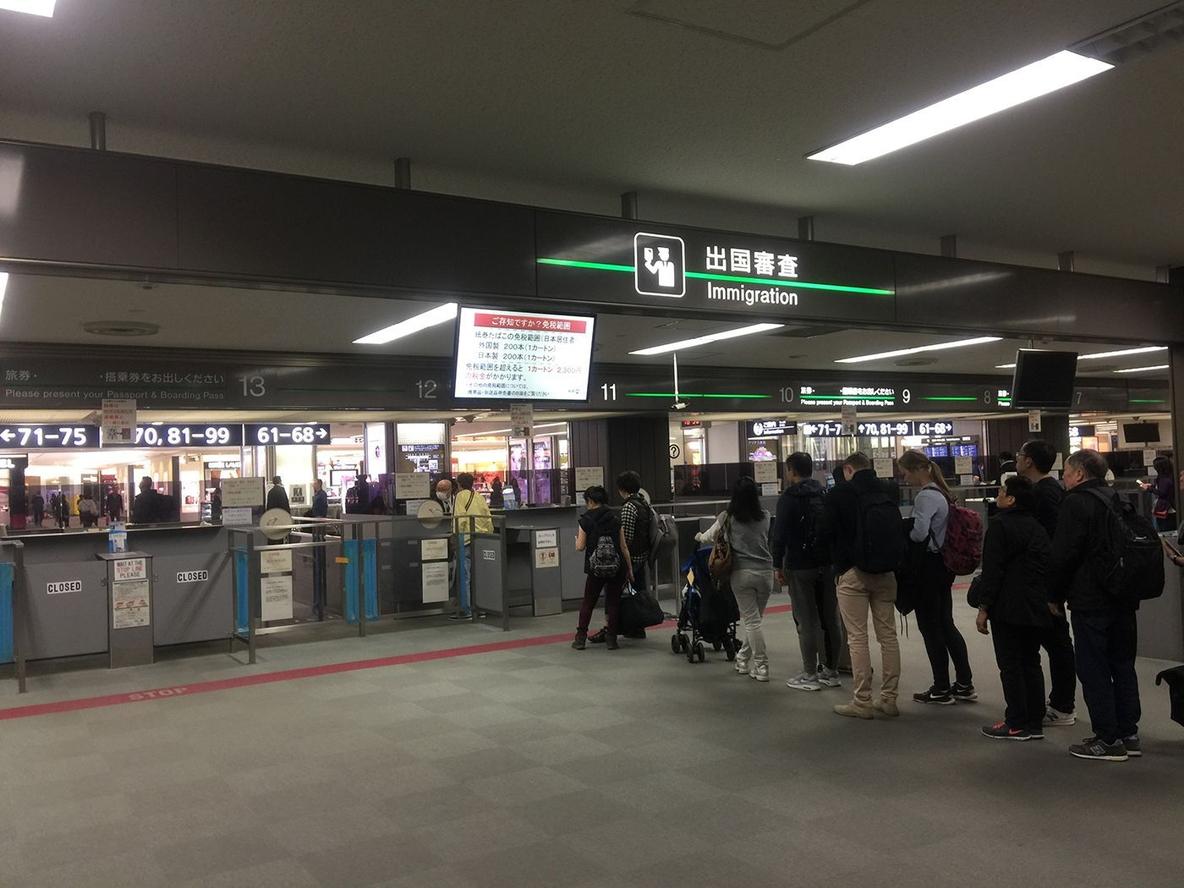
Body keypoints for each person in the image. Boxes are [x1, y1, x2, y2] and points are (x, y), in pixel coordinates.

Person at [1049, 449, 1142, 762]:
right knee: (1123, 664)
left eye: (1066, 471)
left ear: (1079, 474)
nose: (1063, 477)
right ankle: (1129, 733)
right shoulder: (1118, 499)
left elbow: (1063, 555)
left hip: (1091, 597)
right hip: (1123, 595)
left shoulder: (1076, 503)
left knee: (1093, 667)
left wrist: (1054, 596)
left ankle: (1106, 738)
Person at [818, 451, 902, 719]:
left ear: (848, 469)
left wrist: (836, 562)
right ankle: (889, 699)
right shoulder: (889, 489)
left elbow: (824, 533)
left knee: (857, 637)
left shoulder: (840, 493)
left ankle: (862, 701)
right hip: (887, 571)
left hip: (853, 572)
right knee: (888, 636)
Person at [975, 476, 1053, 741]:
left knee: (1010, 664)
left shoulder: (999, 526)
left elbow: (993, 571)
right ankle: (1034, 721)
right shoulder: (1037, 527)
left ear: (1012, 499)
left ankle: (1016, 721)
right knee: (1031, 661)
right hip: (1035, 604)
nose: (999, 493)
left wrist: (984, 607)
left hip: (1007, 605)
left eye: (1003, 491)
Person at [899, 450, 976, 705]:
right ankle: (964, 683)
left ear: (920, 469)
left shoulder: (925, 497)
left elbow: (920, 534)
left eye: (907, 471)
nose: (905, 476)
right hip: (944, 566)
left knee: (930, 628)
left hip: (928, 568)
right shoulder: (943, 493)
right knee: (946, 624)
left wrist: (904, 538)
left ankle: (941, 687)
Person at [1017, 439, 1078, 727]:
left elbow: (1053, 540)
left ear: (1029, 461)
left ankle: (1063, 705)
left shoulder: (1045, 493)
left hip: (1045, 581)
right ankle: (1057, 702)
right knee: (1053, 641)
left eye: (1020, 455)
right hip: (1044, 580)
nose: (1017, 459)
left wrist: (1053, 587)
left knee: (1056, 641)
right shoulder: (1047, 490)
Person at [773, 452, 841, 692]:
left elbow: (779, 535)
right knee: (829, 617)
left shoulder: (789, 498)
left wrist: (777, 565)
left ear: (791, 470)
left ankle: (810, 673)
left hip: (800, 565)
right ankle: (830, 670)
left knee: (806, 619)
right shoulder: (825, 494)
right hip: (827, 564)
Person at [572, 485, 632, 651]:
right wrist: (630, 569)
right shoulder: (615, 517)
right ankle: (612, 639)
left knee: (588, 602)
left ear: (590, 501)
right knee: (613, 603)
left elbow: (580, 546)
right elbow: (623, 546)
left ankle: (580, 638)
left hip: (595, 569)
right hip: (616, 567)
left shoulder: (586, 519)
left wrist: (576, 539)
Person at [1143, 456, 1175, 532]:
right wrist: (1152, 486)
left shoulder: (1164, 479)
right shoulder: (1170, 475)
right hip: (1170, 508)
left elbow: (1162, 492)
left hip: (1167, 509)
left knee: (1165, 530)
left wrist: (1149, 489)